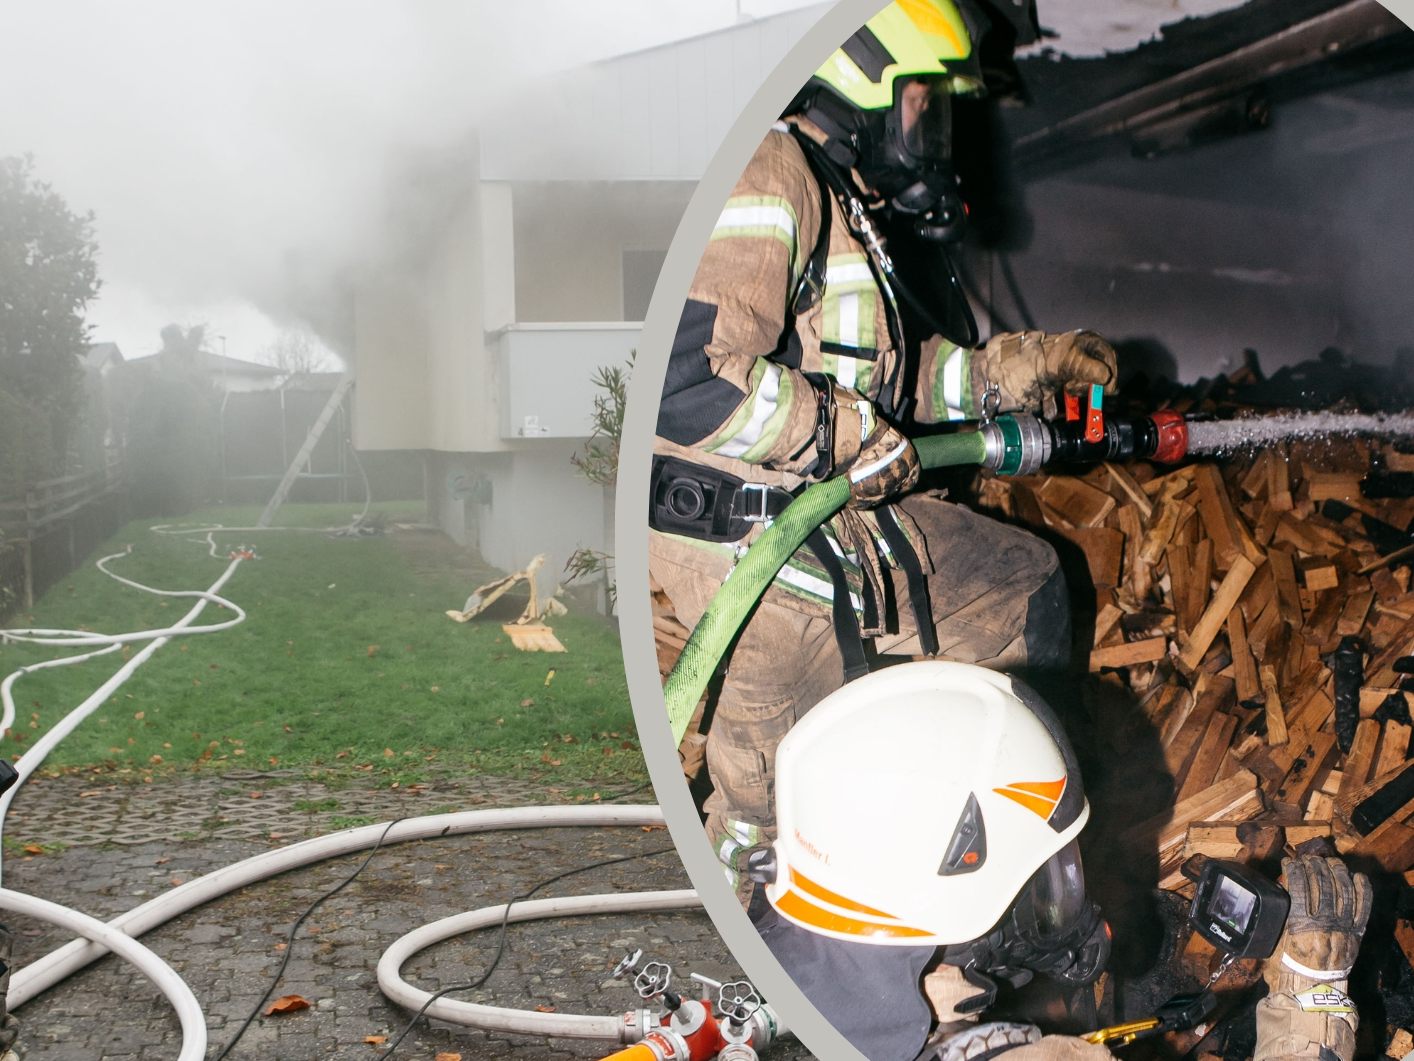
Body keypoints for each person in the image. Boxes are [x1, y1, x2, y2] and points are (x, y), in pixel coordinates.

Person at [649, 0, 1118, 900]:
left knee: (1023, 578)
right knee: (778, 825)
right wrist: (846, 436)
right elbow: (687, 378)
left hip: (819, 530)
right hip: (760, 557)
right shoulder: (769, 165)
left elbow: (888, 385)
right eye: (922, 108)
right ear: (862, 81)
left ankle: (1005, 841)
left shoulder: (836, 197)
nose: (932, 137)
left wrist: (1014, 371)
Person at [746, 660, 1373, 1061]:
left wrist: (924, 1007)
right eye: (1043, 880)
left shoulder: (766, 942)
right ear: (947, 904)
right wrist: (1311, 1002)